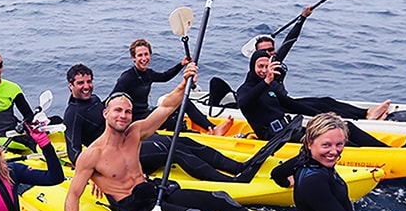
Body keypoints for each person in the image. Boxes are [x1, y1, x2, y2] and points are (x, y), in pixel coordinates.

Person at [57, 62, 297, 211]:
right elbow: (73, 194)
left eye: (128, 112)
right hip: (133, 207)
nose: (123, 115)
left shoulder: (135, 132)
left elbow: (166, 107)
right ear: (105, 114)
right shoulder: (93, 155)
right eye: (117, 110)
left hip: (151, 190)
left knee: (220, 196)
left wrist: (184, 83)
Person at [65, 64, 270, 183]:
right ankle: (231, 182)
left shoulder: (91, 100)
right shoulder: (73, 113)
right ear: (70, 85)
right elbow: (74, 152)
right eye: (81, 83)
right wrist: (97, 173)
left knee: (182, 141)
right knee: (174, 150)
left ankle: (239, 166)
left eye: (89, 81)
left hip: (129, 140)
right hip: (118, 157)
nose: (87, 86)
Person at [243, 6, 392, 129]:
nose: (270, 53)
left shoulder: (273, 62)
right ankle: (359, 118)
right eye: (265, 51)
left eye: (271, 49)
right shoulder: (257, 74)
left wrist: (302, 18)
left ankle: (366, 113)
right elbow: (248, 98)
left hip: (287, 100)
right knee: (320, 107)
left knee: (326, 101)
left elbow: (290, 41)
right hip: (280, 106)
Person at [110, 38, 233, 136]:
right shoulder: (126, 78)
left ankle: (212, 128)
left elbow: (164, 76)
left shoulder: (148, 73)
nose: (144, 59)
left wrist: (181, 64)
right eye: (140, 55)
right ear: (133, 58)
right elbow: (111, 99)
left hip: (147, 113)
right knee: (169, 120)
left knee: (184, 102)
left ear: (150, 55)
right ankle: (198, 136)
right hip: (137, 120)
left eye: (146, 54)